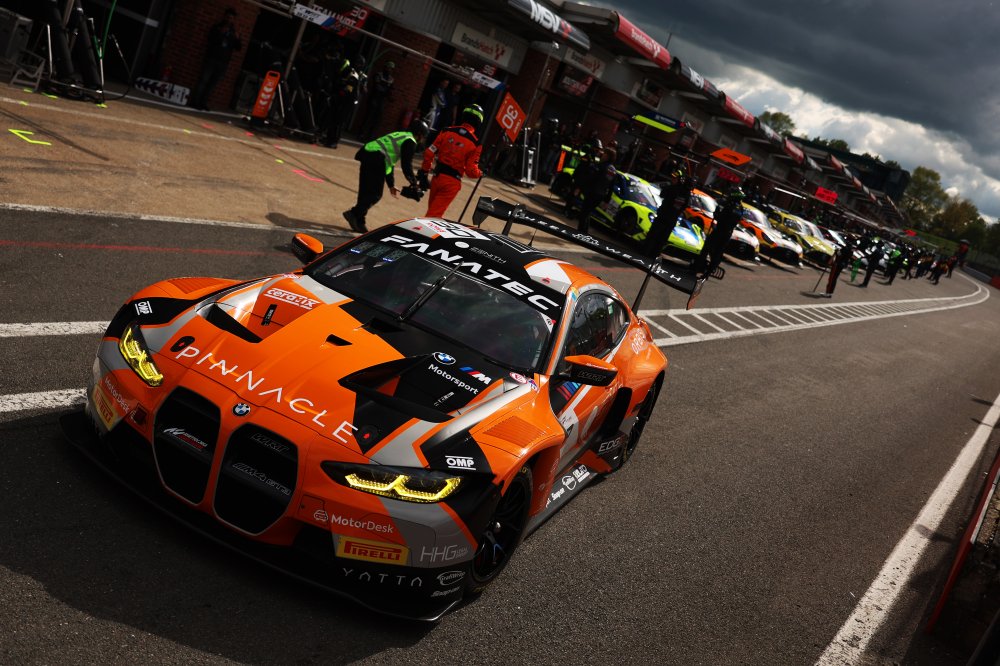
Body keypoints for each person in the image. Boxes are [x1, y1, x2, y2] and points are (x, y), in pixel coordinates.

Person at [342, 120, 428, 233]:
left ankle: (359, 220)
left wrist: (391, 185)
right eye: (423, 136)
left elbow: (389, 162)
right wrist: (414, 183)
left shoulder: (401, 134)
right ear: (419, 134)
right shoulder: (410, 141)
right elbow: (406, 165)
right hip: (376, 158)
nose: (423, 140)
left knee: (366, 192)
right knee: (375, 195)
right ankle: (354, 213)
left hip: (368, 153)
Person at [419, 104, 484, 218]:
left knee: (432, 214)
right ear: (478, 122)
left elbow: (429, 152)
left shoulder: (446, 131)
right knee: (433, 216)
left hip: (437, 177)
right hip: (451, 182)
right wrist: (481, 173)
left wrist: (424, 172)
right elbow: (471, 171)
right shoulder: (476, 144)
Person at [189, 8, 242, 111]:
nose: (229, 19)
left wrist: (237, 39)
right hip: (212, 58)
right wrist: (220, 33)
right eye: (228, 17)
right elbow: (210, 39)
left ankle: (203, 102)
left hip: (223, 62)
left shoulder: (234, 32)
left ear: (234, 19)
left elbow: (238, 48)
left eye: (231, 18)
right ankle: (195, 101)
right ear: (224, 17)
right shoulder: (217, 27)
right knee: (203, 80)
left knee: (213, 83)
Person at [642, 168, 691, 257]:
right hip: (671, 219)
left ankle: (646, 252)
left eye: (675, 178)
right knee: (662, 238)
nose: (672, 180)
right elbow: (684, 206)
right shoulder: (686, 193)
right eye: (672, 178)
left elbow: (662, 194)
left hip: (663, 217)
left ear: (680, 180)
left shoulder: (672, 188)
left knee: (654, 235)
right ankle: (654, 254)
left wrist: (668, 187)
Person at [321, 53, 366, 148]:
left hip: (347, 101)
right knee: (333, 119)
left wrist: (339, 94)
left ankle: (333, 141)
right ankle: (329, 138)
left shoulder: (357, 75)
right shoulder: (351, 72)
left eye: (358, 63)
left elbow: (349, 89)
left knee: (339, 122)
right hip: (342, 100)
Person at [576, 152, 616, 234]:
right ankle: (584, 233)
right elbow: (611, 187)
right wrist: (607, 200)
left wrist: (580, 188)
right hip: (600, 196)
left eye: (604, 154)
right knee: (587, 213)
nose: (602, 155)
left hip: (592, 193)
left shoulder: (601, 166)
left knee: (584, 213)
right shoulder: (613, 170)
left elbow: (591, 178)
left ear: (608, 156)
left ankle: (580, 234)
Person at [359, 60, 395, 140]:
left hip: (381, 101)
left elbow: (391, 90)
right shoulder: (378, 75)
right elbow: (377, 87)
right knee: (368, 117)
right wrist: (386, 91)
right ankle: (361, 134)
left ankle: (370, 136)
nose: (389, 70)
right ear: (385, 67)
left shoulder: (391, 79)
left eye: (391, 69)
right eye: (389, 68)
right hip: (374, 98)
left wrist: (390, 97)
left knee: (377, 120)